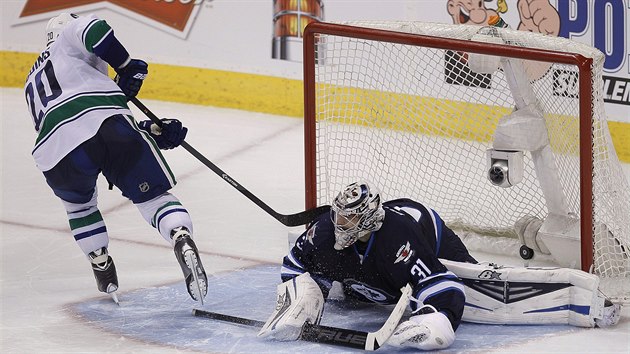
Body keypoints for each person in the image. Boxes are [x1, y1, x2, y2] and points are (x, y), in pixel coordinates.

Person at [257, 181, 621, 351]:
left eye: (349, 220)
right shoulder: (325, 231)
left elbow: (444, 284)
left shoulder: (396, 239)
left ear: (367, 220)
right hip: (378, 260)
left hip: (428, 232)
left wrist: (438, 317)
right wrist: (304, 291)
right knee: (351, 283)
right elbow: (295, 261)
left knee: (470, 282)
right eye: (338, 216)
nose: (339, 224)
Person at [23, 13, 207, 303]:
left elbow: (76, 124)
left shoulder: (32, 79)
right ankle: (180, 236)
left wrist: (152, 130)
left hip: (53, 153)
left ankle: (100, 263)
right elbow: (94, 30)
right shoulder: (67, 39)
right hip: (106, 125)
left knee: (80, 208)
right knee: (153, 198)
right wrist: (125, 65)